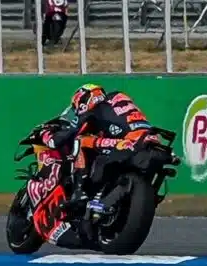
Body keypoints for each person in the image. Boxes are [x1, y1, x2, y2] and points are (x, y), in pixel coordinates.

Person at [38, 83, 158, 215]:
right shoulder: (117, 99)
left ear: (83, 101)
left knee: (81, 140)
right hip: (151, 139)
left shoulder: (93, 111)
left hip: (129, 143)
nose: (77, 110)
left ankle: (79, 192)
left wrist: (47, 135)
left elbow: (65, 136)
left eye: (76, 106)